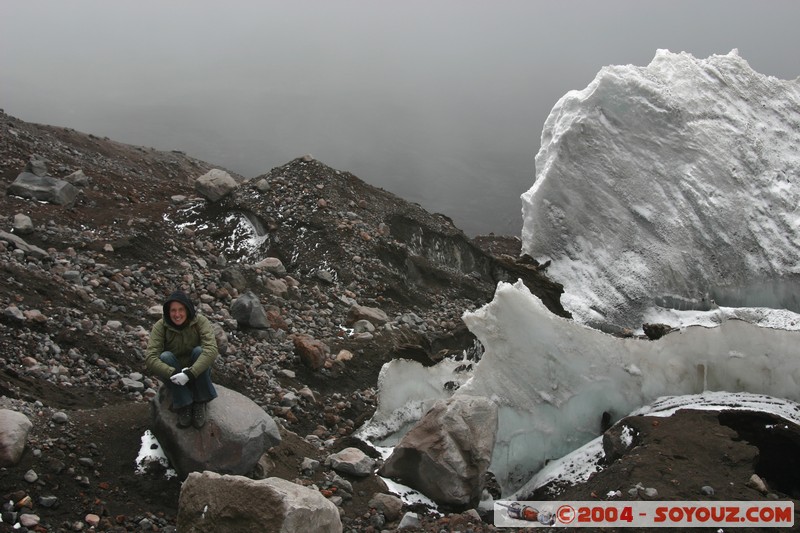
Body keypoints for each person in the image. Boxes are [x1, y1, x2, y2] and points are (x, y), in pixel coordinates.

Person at [145, 290, 219, 428]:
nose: (177, 314)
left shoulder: (200, 321)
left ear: (188, 310)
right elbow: (150, 357)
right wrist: (172, 373)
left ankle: (199, 401)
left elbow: (212, 349)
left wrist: (190, 373)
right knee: (165, 356)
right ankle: (185, 404)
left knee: (200, 351)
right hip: (174, 373)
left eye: (181, 310)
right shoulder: (161, 326)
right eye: (173, 310)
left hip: (196, 372)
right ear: (168, 311)